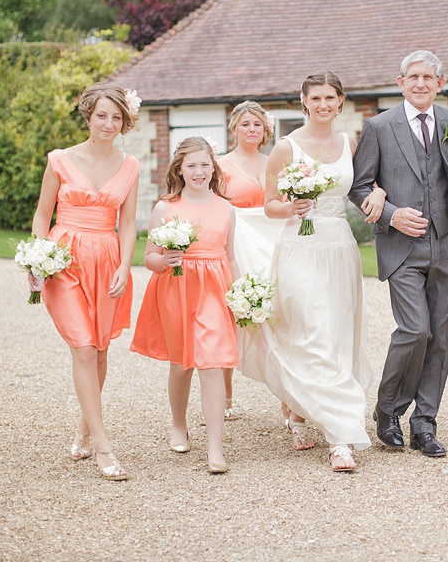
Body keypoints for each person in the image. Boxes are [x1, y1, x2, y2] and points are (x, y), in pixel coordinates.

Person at [349, 50, 448, 458]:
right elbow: (359, 186)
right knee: (414, 330)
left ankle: (425, 423)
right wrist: (390, 214)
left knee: (440, 337)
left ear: (440, 84)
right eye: (413, 76)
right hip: (402, 248)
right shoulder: (379, 126)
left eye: (429, 77)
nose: (420, 83)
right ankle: (388, 411)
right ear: (400, 82)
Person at [253, 71, 384, 473]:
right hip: (299, 245)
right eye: (317, 98)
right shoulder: (286, 148)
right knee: (308, 331)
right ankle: (339, 438)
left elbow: (367, 185)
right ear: (304, 101)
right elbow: (269, 204)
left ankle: (304, 414)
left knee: (336, 334)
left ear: (340, 101)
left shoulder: (350, 143)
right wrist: (291, 207)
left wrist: (378, 192)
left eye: (331, 97)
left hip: (340, 246)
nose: (324, 104)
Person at [30, 82, 140, 481]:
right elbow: (43, 216)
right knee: (82, 347)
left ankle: (83, 429)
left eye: (116, 117)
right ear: (88, 116)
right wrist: (38, 257)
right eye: (102, 116)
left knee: (100, 348)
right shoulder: (60, 159)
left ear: (124, 121)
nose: (109, 124)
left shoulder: (129, 166)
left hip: (108, 259)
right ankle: (104, 448)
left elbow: (127, 224)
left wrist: (126, 265)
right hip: (65, 262)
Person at [131, 137, 239, 474]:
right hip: (177, 287)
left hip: (215, 290)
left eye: (205, 164)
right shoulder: (166, 207)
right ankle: (179, 424)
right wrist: (165, 261)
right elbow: (149, 257)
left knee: (212, 364)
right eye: (191, 165)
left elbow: (231, 256)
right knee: (181, 363)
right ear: (179, 168)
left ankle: (215, 448)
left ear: (213, 168)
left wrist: (239, 295)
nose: (199, 171)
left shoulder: (226, 207)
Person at [219, 101, 287, 422]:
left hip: (276, 239)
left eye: (257, 125)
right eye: (245, 124)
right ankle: (224, 396)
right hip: (239, 241)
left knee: (282, 317)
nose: (251, 130)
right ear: (234, 128)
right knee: (234, 316)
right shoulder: (219, 166)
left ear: (266, 130)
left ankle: (290, 399)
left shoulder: (275, 162)